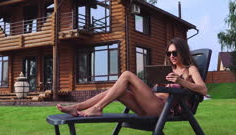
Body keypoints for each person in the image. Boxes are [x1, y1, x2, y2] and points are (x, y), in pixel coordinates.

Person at [56, 37, 208, 117]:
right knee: (116, 91)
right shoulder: (168, 69)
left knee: (127, 75)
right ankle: (76, 107)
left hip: (163, 109)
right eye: (169, 53)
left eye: (175, 53)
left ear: (182, 52)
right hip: (150, 104)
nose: (172, 56)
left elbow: (203, 90)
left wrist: (180, 81)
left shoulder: (190, 69)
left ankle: (97, 108)